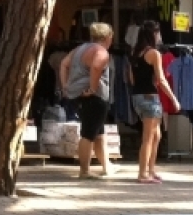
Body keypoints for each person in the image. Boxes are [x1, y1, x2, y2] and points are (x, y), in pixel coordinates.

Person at [63, 22, 116, 178]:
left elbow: (64, 64)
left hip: (79, 94)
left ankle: (106, 166)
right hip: (94, 96)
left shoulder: (79, 49)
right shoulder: (101, 52)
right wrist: (93, 88)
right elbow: (96, 67)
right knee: (88, 133)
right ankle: (84, 171)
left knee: (98, 132)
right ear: (107, 37)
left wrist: (66, 85)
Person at [129, 20, 178, 183]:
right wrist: (173, 99)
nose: (159, 36)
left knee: (156, 135)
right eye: (158, 33)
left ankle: (151, 170)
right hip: (150, 97)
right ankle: (143, 173)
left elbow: (130, 78)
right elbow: (161, 79)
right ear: (153, 34)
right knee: (149, 137)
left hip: (137, 96)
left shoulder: (135, 53)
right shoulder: (154, 54)